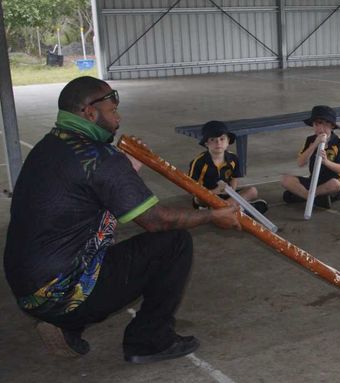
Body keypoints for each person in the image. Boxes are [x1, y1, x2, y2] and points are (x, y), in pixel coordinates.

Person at [3, 76, 241, 364]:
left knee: (96, 245)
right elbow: (156, 220)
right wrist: (211, 215)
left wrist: (130, 168)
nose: (118, 116)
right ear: (90, 113)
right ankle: (148, 340)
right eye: (112, 110)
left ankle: (66, 323)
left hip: (27, 287)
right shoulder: (101, 158)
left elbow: (92, 194)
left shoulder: (51, 145)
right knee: (174, 243)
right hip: (61, 288)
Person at [188, 120, 268, 213]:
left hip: (226, 194)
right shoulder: (199, 162)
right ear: (206, 143)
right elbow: (191, 188)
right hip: (208, 196)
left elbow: (234, 178)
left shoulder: (233, 158)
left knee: (253, 191)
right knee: (199, 199)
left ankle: (225, 210)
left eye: (222, 139)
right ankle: (241, 209)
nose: (218, 143)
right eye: (213, 140)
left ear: (228, 142)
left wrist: (232, 192)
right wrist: (215, 191)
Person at [281, 105, 340, 208]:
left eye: (326, 124)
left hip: (334, 181)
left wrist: (326, 162)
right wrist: (314, 145)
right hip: (314, 181)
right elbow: (300, 163)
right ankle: (313, 198)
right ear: (313, 125)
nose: (321, 128)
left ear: (332, 126)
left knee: (334, 184)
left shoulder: (338, 142)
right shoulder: (310, 140)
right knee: (285, 180)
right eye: (317, 124)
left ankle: (306, 196)